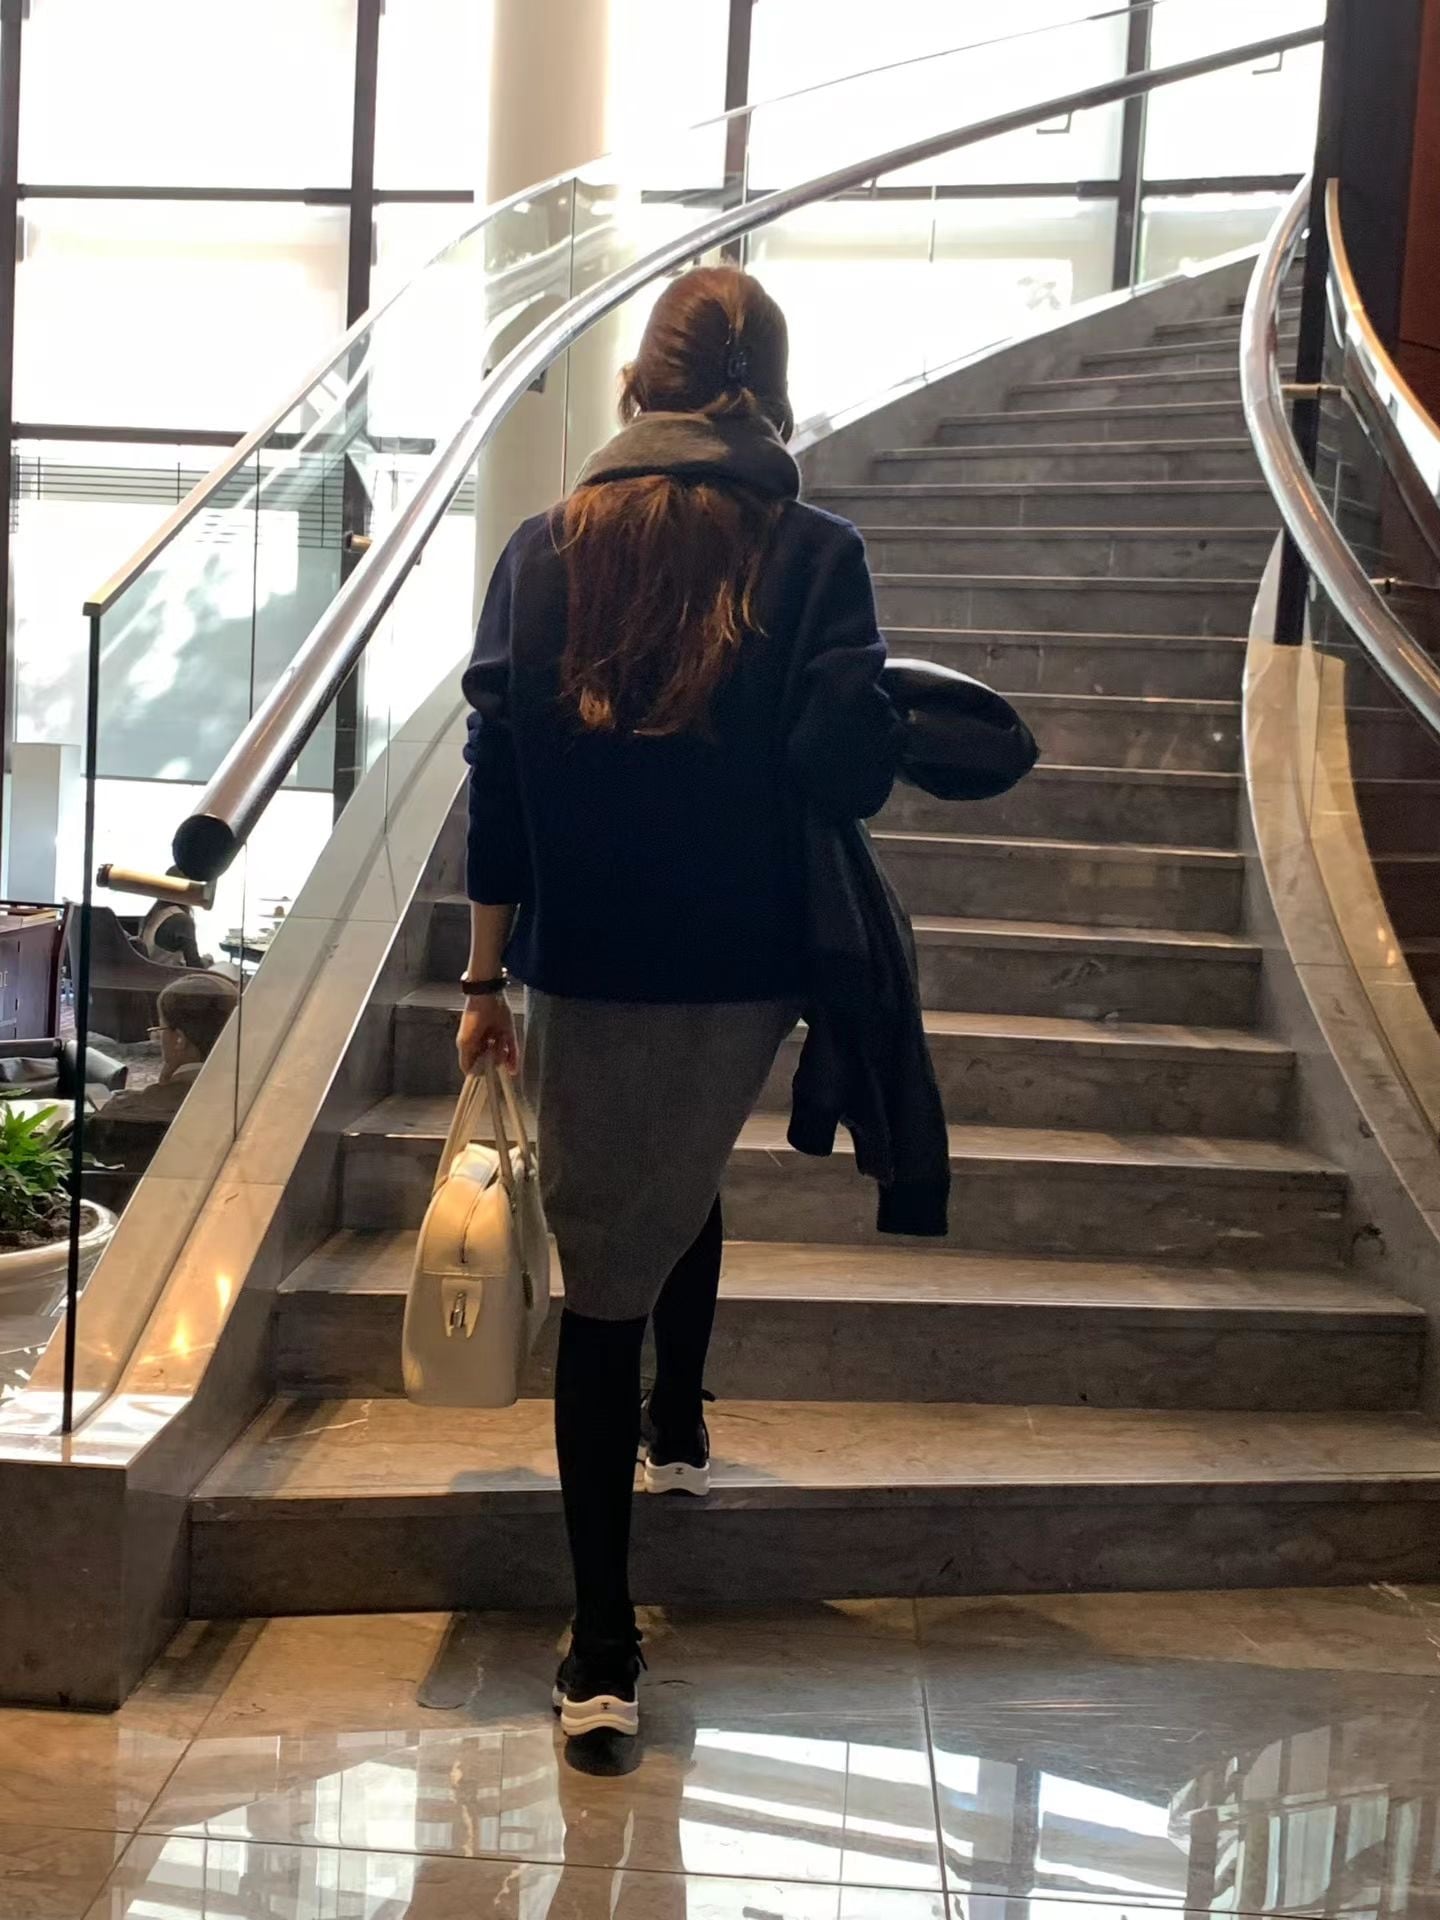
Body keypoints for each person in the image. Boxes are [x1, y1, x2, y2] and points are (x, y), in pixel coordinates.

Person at [459, 265, 899, 1746]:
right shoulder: (818, 551)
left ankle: (601, 1653)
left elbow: (501, 783)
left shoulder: (544, 548)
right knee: (681, 1158)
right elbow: (844, 772)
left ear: (640, 383)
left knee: (605, 1268)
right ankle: (682, 1416)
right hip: (749, 955)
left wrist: (481, 977)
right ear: (770, 389)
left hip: (586, 956)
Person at [88, 973, 239, 1169]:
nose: (158, 1039)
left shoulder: (128, 1113)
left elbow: (65, 1159)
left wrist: (161, 1089)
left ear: (179, 1040)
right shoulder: (251, 1103)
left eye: (161, 1030)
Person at [138, 871, 213, 971]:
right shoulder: (181, 920)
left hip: (150, 974)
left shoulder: (155, 914)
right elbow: (194, 965)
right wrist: (208, 962)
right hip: (168, 977)